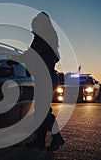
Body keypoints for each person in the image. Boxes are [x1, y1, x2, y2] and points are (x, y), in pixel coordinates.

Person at [14, 12, 64, 151]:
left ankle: (57, 137)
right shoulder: (42, 38)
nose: (33, 27)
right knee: (40, 111)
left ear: (41, 24)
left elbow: (31, 54)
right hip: (45, 77)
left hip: (46, 78)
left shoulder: (44, 38)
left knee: (42, 113)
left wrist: (17, 58)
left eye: (35, 24)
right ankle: (39, 141)